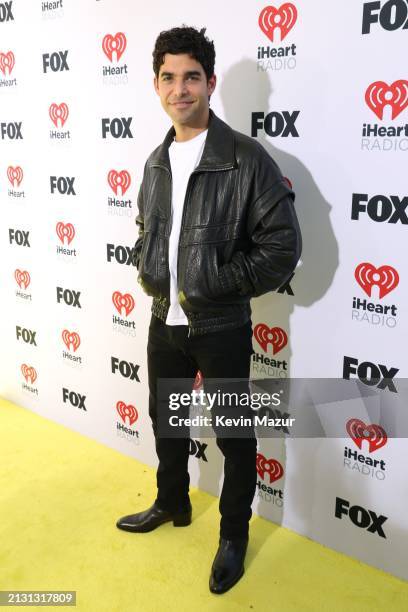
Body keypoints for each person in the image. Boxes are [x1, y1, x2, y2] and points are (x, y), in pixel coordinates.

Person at [116, 25, 302, 594]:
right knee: (166, 424)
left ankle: (233, 538)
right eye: (169, 77)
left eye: (191, 76)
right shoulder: (154, 161)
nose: (180, 89)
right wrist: (150, 269)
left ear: (210, 83)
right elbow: (151, 230)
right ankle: (171, 503)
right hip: (161, 321)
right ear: (156, 85)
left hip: (219, 323)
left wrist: (216, 284)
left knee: (234, 436)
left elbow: (282, 248)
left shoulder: (245, 159)